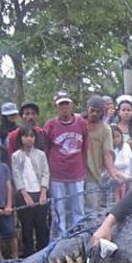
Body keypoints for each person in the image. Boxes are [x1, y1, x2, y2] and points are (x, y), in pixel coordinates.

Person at [44, 90, 88, 237]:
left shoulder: (81, 123)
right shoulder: (50, 125)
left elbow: (85, 146)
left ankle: (79, 235)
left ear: (71, 105)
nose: (64, 108)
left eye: (66, 104)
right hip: (58, 174)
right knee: (59, 209)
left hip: (77, 171)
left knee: (78, 208)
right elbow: (46, 147)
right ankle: (61, 237)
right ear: (56, 107)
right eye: (61, 105)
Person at [11, 125, 50, 257]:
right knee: (26, 228)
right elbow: (17, 175)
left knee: (41, 226)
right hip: (24, 195)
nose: (29, 139)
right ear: (20, 138)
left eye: (31, 136)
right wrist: (25, 195)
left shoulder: (41, 154)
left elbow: (46, 173)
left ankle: (44, 254)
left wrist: (43, 192)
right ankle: (28, 255)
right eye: (26, 136)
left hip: (40, 193)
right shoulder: (16, 156)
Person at [84, 96, 120, 211]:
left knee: (91, 208)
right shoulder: (78, 122)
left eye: (98, 111)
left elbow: (107, 154)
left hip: (93, 175)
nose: (94, 114)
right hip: (75, 174)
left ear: (102, 112)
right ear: (87, 109)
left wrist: (113, 174)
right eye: (92, 110)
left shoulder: (105, 129)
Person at [112, 99, 132, 168]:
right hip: (116, 161)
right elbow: (112, 143)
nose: (126, 112)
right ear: (119, 112)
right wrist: (131, 142)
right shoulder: (113, 127)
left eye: (128, 110)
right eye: (123, 110)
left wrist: (122, 142)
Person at [112, 124, 132, 202]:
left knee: (120, 179)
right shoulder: (108, 148)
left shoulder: (126, 146)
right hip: (113, 174)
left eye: (118, 136)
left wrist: (112, 166)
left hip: (126, 173)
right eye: (113, 137)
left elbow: (125, 163)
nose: (116, 139)